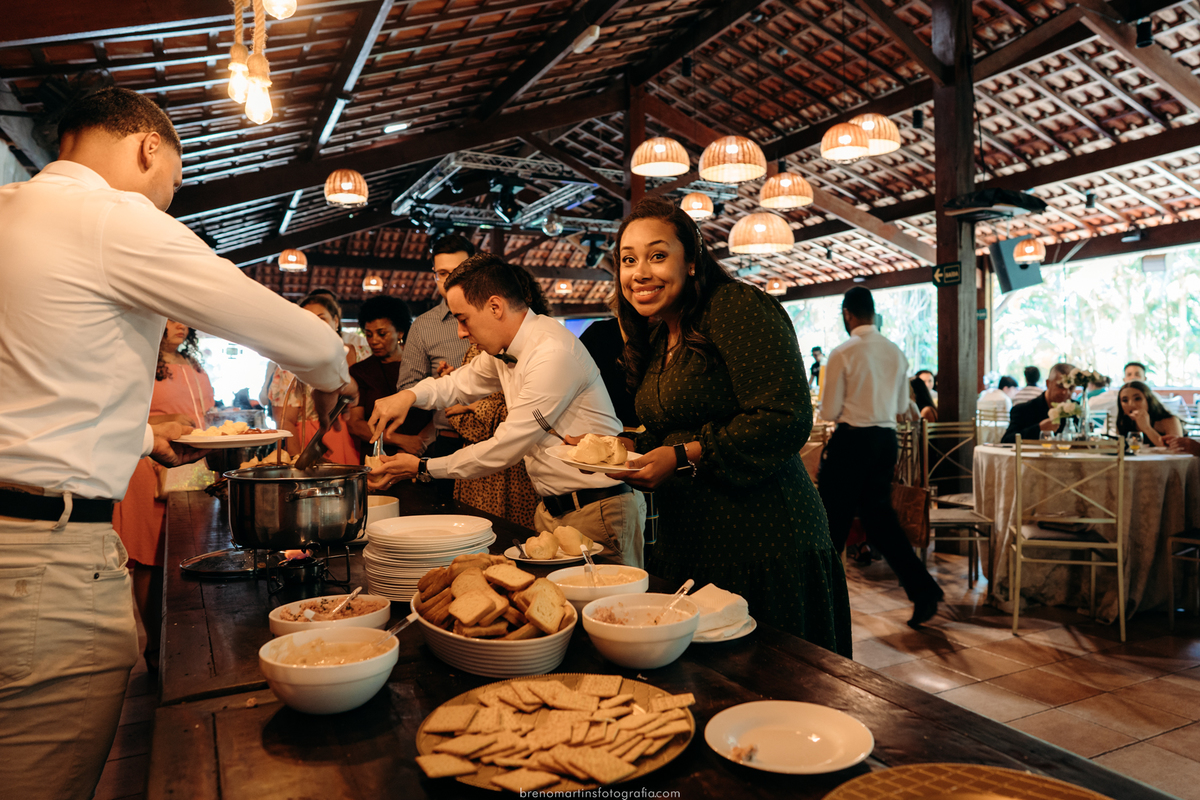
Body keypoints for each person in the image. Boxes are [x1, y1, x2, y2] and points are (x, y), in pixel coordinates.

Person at [0, 87, 353, 800]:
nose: (169, 199)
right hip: (42, 564)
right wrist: (329, 375)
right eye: (177, 182)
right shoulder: (112, 215)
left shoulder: (10, 210)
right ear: (148, 148)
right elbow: (303, 336)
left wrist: (137, 432)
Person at [597, 197, 850, 654]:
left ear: (692, 262)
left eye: (657, 255)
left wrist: (682, 456)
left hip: (763, 539)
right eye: (628, 260)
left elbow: (786, 416)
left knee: (773, 689)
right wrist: (614, 446)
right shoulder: (660, 332)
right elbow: (669, 425)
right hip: (694, 541)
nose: (639, 272)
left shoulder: (734, 306)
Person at [368, 254, 646, 567]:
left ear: (495, 307)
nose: (460, 332)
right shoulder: (506, 350)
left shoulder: (551, 353)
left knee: (606, 610)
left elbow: (504, 449)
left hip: (598, 511)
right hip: (553, 510)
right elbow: (458, 383)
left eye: (463, 318)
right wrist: (407, 396)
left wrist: (421, 467)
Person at [819, 286, 943, 629]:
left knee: (831, 521)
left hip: (851, 441)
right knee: (880, 522)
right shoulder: (896, 352)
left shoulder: (842, 352)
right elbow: (905, 406)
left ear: (848, 314)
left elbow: (829, 410)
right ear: (873, 313)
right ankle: (923, 590)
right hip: (886, 441)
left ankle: (819, 603)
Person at [111, 321, 214, 673]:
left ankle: (185, 639)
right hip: (148, 466)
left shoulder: (195, 365)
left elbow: (205, 413)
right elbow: (122, 416)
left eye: (183, 317)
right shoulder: (138, 362)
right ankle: (155, 646)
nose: (179, 325)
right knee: (150, 557)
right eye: (169, 317)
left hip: (190, 465)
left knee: (187, 550)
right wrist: (169, 419)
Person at [394, 233, 477, 498]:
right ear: (434, 275)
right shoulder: (424, 326)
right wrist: (445, 386)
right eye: (443, 273)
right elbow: (407, 387)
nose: (450, 279)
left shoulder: (495, 313)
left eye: (459, 272)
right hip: (450, 442)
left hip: (503, 438)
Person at [270, 291, 361, 464]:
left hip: (356, 438)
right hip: (312, 439)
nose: (316, 326)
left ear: (336, 321)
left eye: (321, 319)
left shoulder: (360, 353)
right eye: (308, 322)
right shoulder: (290, 366)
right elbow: (285, 422)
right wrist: (299, 460)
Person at [346, 295, 430, 455]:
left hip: (424, 451)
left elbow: (439, 413)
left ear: (400, 332)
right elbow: (355, 425)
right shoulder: (360, 371)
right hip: (379, 456)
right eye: (369, 334)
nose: (373, 341)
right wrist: (402, 441)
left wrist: (420, 442)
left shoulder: (422, 364)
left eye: (382, 334)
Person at [1001, 362, 1076, 444]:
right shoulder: (1023, 410)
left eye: (1071, 388)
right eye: (1060, 386)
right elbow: (1006, 441)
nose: (1065, 392)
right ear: (1048, 384)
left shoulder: (1076, 410)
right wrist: (1039, 428)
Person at [1116, 381, 1182, 447]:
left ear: (1148, 400)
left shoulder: (1169, 420)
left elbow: (1177, 450)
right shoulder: (1123, 422)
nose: (1131, 404)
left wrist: (1147, 428)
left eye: (1137, 399)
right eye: (1125, 400)